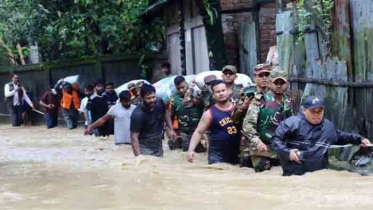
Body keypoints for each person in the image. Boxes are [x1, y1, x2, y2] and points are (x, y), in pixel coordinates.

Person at [272, 96, 372, 176]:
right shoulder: (292, 123)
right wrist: (287, 153)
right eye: (313, 111)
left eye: (320, 111)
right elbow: (275, 140)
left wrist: (360, 139)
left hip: (319, 175)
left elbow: (341, 136)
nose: (317, 115)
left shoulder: (328, 127)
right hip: (294, 175)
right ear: (304, 110)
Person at [240, 68, 294, 171]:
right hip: (261, 149)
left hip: (280, 148)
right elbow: (248, 126)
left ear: (286, 84)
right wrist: (258, 142)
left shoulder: (288, 102)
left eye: (282, 83)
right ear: (269, 83)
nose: (279, 86)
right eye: (276, 83)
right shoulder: (259, 100)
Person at [187, 80, 240, 164]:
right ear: (213, 94)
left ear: (228, 91)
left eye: (223, 90)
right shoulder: (209, 113)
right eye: (218, 92)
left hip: (236, 153)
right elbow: (199, 132)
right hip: (216, 156)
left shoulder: (238, 108)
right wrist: (190, 151)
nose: (221, 93)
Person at [130, 84, 176, 157]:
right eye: (148, 98)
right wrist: (139, 157)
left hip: (158, 143)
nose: (152, 100)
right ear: (141, 98)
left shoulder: (159, 102)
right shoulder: (137, 114)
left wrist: (171, 129)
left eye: (153, 97)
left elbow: (165, 113)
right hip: (144, 145)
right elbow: (134, 137)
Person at [170, 76, 205, 152]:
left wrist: (191, 97)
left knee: (201, 151)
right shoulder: (174, 100)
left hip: (198, 130)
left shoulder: (197, 96)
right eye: (178, 88)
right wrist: (171, 130)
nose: (181, 90)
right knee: (186, 151)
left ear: (187, 84)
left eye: (183, 87)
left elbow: (204, 109)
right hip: (184, 132)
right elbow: (171, 116)